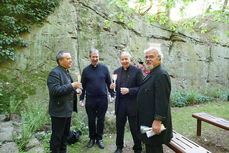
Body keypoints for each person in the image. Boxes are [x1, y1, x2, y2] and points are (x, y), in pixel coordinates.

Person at [137, 47, 172, 153]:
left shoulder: (161, 75)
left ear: (159, 59)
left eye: (151, 57)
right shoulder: (152, 73)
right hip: (148, 120)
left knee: (154, 148)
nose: (148, 59)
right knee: (150, 147)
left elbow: (162, 100)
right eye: (146, 57)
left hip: (155, 123)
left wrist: (158, 120)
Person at [47, 50, 82, 153]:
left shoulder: (66, 72)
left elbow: (68, 88)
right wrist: (72, 86)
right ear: (60, 61)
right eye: (68, 59)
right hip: (59, 112)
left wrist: (76, 90)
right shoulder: (54, 73)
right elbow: (54, 91)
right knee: (57, 138)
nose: (71, 60)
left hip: (67, 111)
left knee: (64, 137)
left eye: (70, 58)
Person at [79, 48, 114, 149]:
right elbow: (83, 86)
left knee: (101, 120)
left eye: (96, 57)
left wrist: (112, 95)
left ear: (99, 57)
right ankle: (91, 138)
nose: (95, 58)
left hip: (102, 99)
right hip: (90, 99)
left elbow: (109, 83)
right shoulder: (86, 71)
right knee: (91, 120)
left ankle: (99, 138)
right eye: (93, 57)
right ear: (90, 57)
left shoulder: (104, 69)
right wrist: (81, 99)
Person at [110, 51, 143, 153]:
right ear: (120, 60)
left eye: (126, 59)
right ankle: (119, 147)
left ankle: (137, 148)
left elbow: (141, 88)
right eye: (122, 59)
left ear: (130, 59)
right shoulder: (116, 71)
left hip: (133, 104)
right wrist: (112, 87)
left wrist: (129, 90)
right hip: (120, 105)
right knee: (119, 127)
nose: (124, 61)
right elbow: (114, 88)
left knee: (134, 128)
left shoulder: (137, 71)